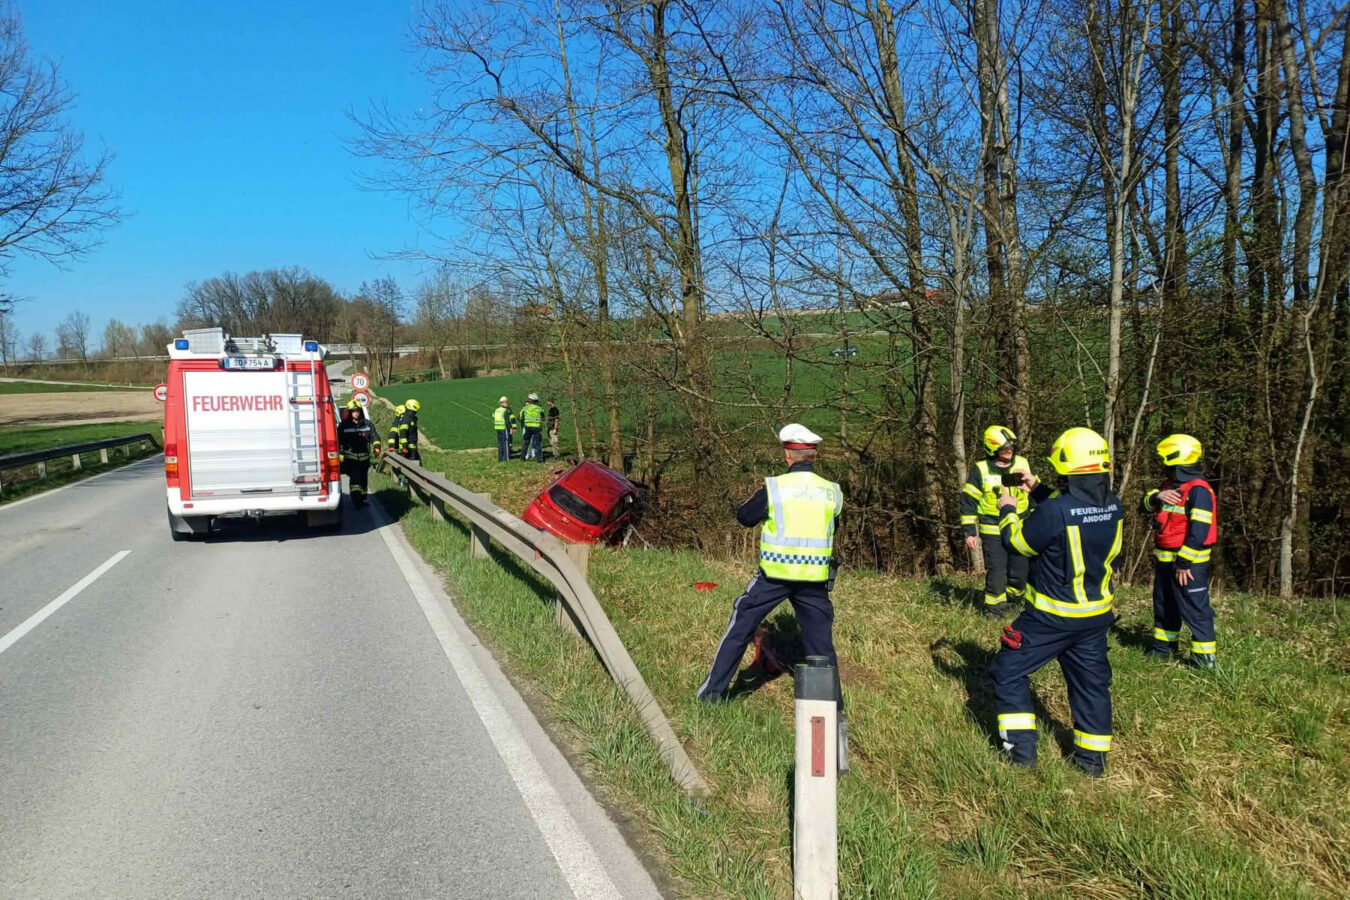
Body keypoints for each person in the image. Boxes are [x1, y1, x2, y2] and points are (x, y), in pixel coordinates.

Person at [990, 427, 1123, 776]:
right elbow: (1072, 510)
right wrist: (1037, 490)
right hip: (1095, 618)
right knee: (1091, 685)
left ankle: (1020, 755)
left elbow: (1017, 543)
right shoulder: (1113, 504)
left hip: (1050, 618)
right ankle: (1092, 763)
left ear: (1068, 467)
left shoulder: (1057, 511)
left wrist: (1007, 509)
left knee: (1007, 669)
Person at [698, 424, 844, 710]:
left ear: (788, 454)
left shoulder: (776, 488)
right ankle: (834, 710)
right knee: (821, 647)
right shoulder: (832, 492)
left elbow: (745, 517)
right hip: (814, 580)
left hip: (773, 577)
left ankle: (711, 697)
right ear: (813, 456)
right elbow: (831, 528)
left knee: (740, 627)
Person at [1140, 434, 1218, 668]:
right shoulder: (1169, 487)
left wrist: (1184, 562)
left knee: (1195, 609)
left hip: (1188, 565)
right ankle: (1162, 649)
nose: (1163, 465)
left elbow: (1199, 531)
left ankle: (1204, 660)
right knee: (1164, 606)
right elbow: (1142, 506)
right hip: (1165, 562)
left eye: (1166, 461)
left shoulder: (1199, 491)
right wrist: (1156, 497)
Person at [960, 425, 1038, 617]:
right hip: (993, 529)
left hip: (1020, 527)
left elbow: (1034, 493)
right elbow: (968, 500)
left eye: (1011, 447)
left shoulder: (1023, 463)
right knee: (997, 570)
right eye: (1004, 448)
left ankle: (1015, 601)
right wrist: (970, 531)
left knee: (1020, 570)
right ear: (992, 449)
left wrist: (1038, 517)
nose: (1009, 451)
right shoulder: (981, 470)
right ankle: (994, 609)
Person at [338, 403, 381, 508]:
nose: (355, 413)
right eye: (353, 411)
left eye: (357, 411)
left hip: (364, 459)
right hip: (351, 459)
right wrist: (339, 453)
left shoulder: (367, 424)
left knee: (363, 480)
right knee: (355, 480)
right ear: (349, 412)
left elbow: (374, 437)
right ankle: (356, 500)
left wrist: (376, 447)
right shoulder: (344, 425)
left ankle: (362, 498)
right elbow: (338, 441)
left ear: (360, 411)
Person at [520, 393, 544, 463]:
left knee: (526, 442)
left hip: (528, 427)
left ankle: (522, 457)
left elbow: (521, 416)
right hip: (536, 428)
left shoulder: (525, 408)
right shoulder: (539, 409)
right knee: (538, 443)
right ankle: (539, 459)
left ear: (530, 400)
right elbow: (543, 417)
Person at [492, 396, 515, 462]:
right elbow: (507, 421)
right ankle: (506, 459)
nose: (507, 403)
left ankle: (500, 458)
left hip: (497, 428)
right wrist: (510, 429)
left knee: (500, 444)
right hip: (503, 428)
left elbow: (494, 416)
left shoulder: (497, 410)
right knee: (506, 443)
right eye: (506, 402)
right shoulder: (505, 411)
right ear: (503, 403)